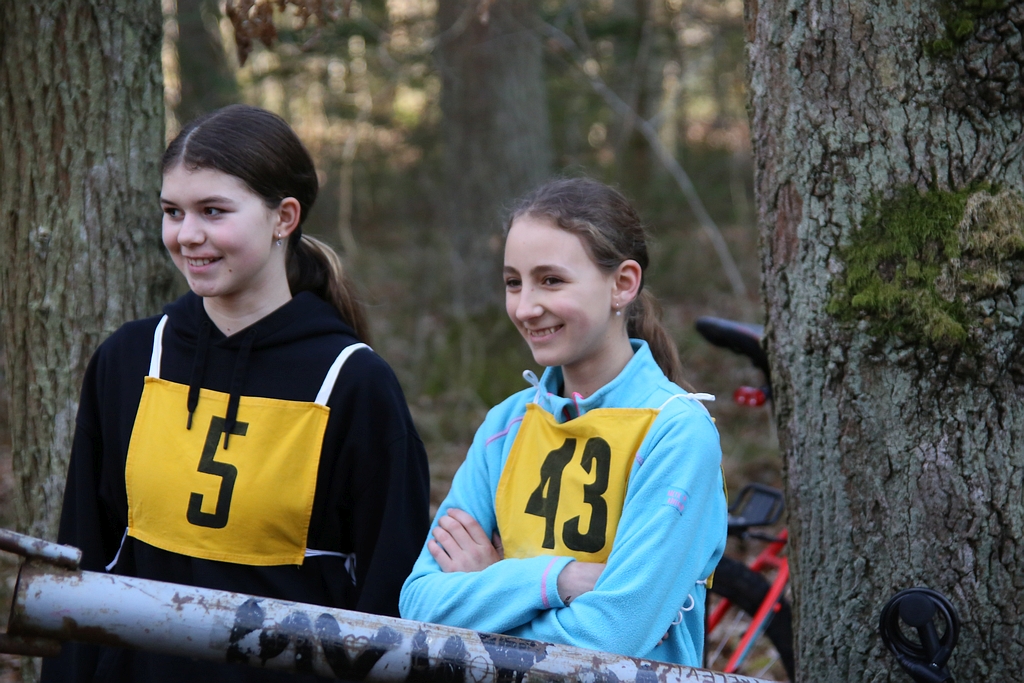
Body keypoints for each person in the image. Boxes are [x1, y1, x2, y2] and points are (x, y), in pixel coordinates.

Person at [42, 104, 430, 682]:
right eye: (173, 212)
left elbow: (389, 592)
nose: (187, 235)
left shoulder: (353, 381)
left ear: (284, 218)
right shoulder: (129, 360)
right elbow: (85, 559)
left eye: (213, 211)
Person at [399, 178, 727, 667]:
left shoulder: (676, 433)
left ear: (623, 284)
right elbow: (419, 603)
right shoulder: (506, 424)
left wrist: (490, 584)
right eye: (514, 282)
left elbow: (609, 637)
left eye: (551, 280)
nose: (525, 307)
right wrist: (558, 580)